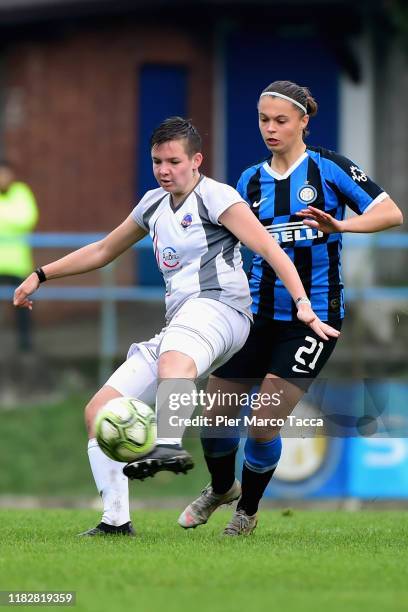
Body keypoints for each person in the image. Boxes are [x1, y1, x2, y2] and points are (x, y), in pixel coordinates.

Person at [13, 116, 339, 537]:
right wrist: (41, 274)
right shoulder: (151, 204)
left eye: (173, 161)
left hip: (224, 311)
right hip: (182, 323)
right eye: (157, 162)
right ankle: (115, 521)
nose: (164, 170)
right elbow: (103, 250)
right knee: (99, 411)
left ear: (196, 160)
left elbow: (268, 248)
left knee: (175, 358)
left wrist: (303, 305)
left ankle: (167, 442)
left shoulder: (216, 197)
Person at [176, 81, 403, 536]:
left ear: (303, 121)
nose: (271, 128)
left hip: (314, 317)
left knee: (263, 425)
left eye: (281, 120)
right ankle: (222, 488)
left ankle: (248, 512)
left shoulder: (331, 168)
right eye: (264, 119)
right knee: (214, 417)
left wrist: (340, 224)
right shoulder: (249, 180)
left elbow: (391, 213)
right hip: (255, 316)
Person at [0, 160, 39, 352]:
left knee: (23, 308)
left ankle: (25, 346)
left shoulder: (21, 192)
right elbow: (18, 219)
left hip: (17, 264)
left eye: (5, 174)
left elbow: (27, 218)